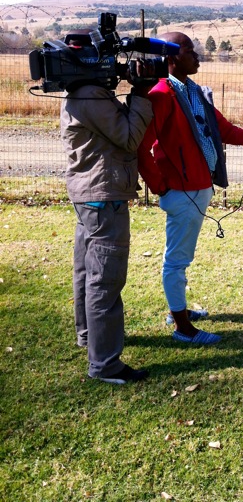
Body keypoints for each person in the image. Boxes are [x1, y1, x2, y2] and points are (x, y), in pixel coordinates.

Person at [137, 31, 243, 345]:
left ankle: (177, 311)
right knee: (176, 260)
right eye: (191, 51)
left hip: (198, 186)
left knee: (181, 256)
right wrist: (161, 186)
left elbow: (221, 129)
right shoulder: (160, 95)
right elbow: (140, 147)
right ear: (172, 57)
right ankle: (183, 328)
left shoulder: (193, 91)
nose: (197, 57)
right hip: (181, 192)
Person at [60, 68, 153, 384]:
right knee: (105, 277)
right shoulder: (92, 95)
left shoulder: (81, 92)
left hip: (90, 194)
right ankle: (105, 364)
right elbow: (128, 138)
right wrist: (140, 94)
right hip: (103, 197)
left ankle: (89, 337)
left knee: (87, 271)